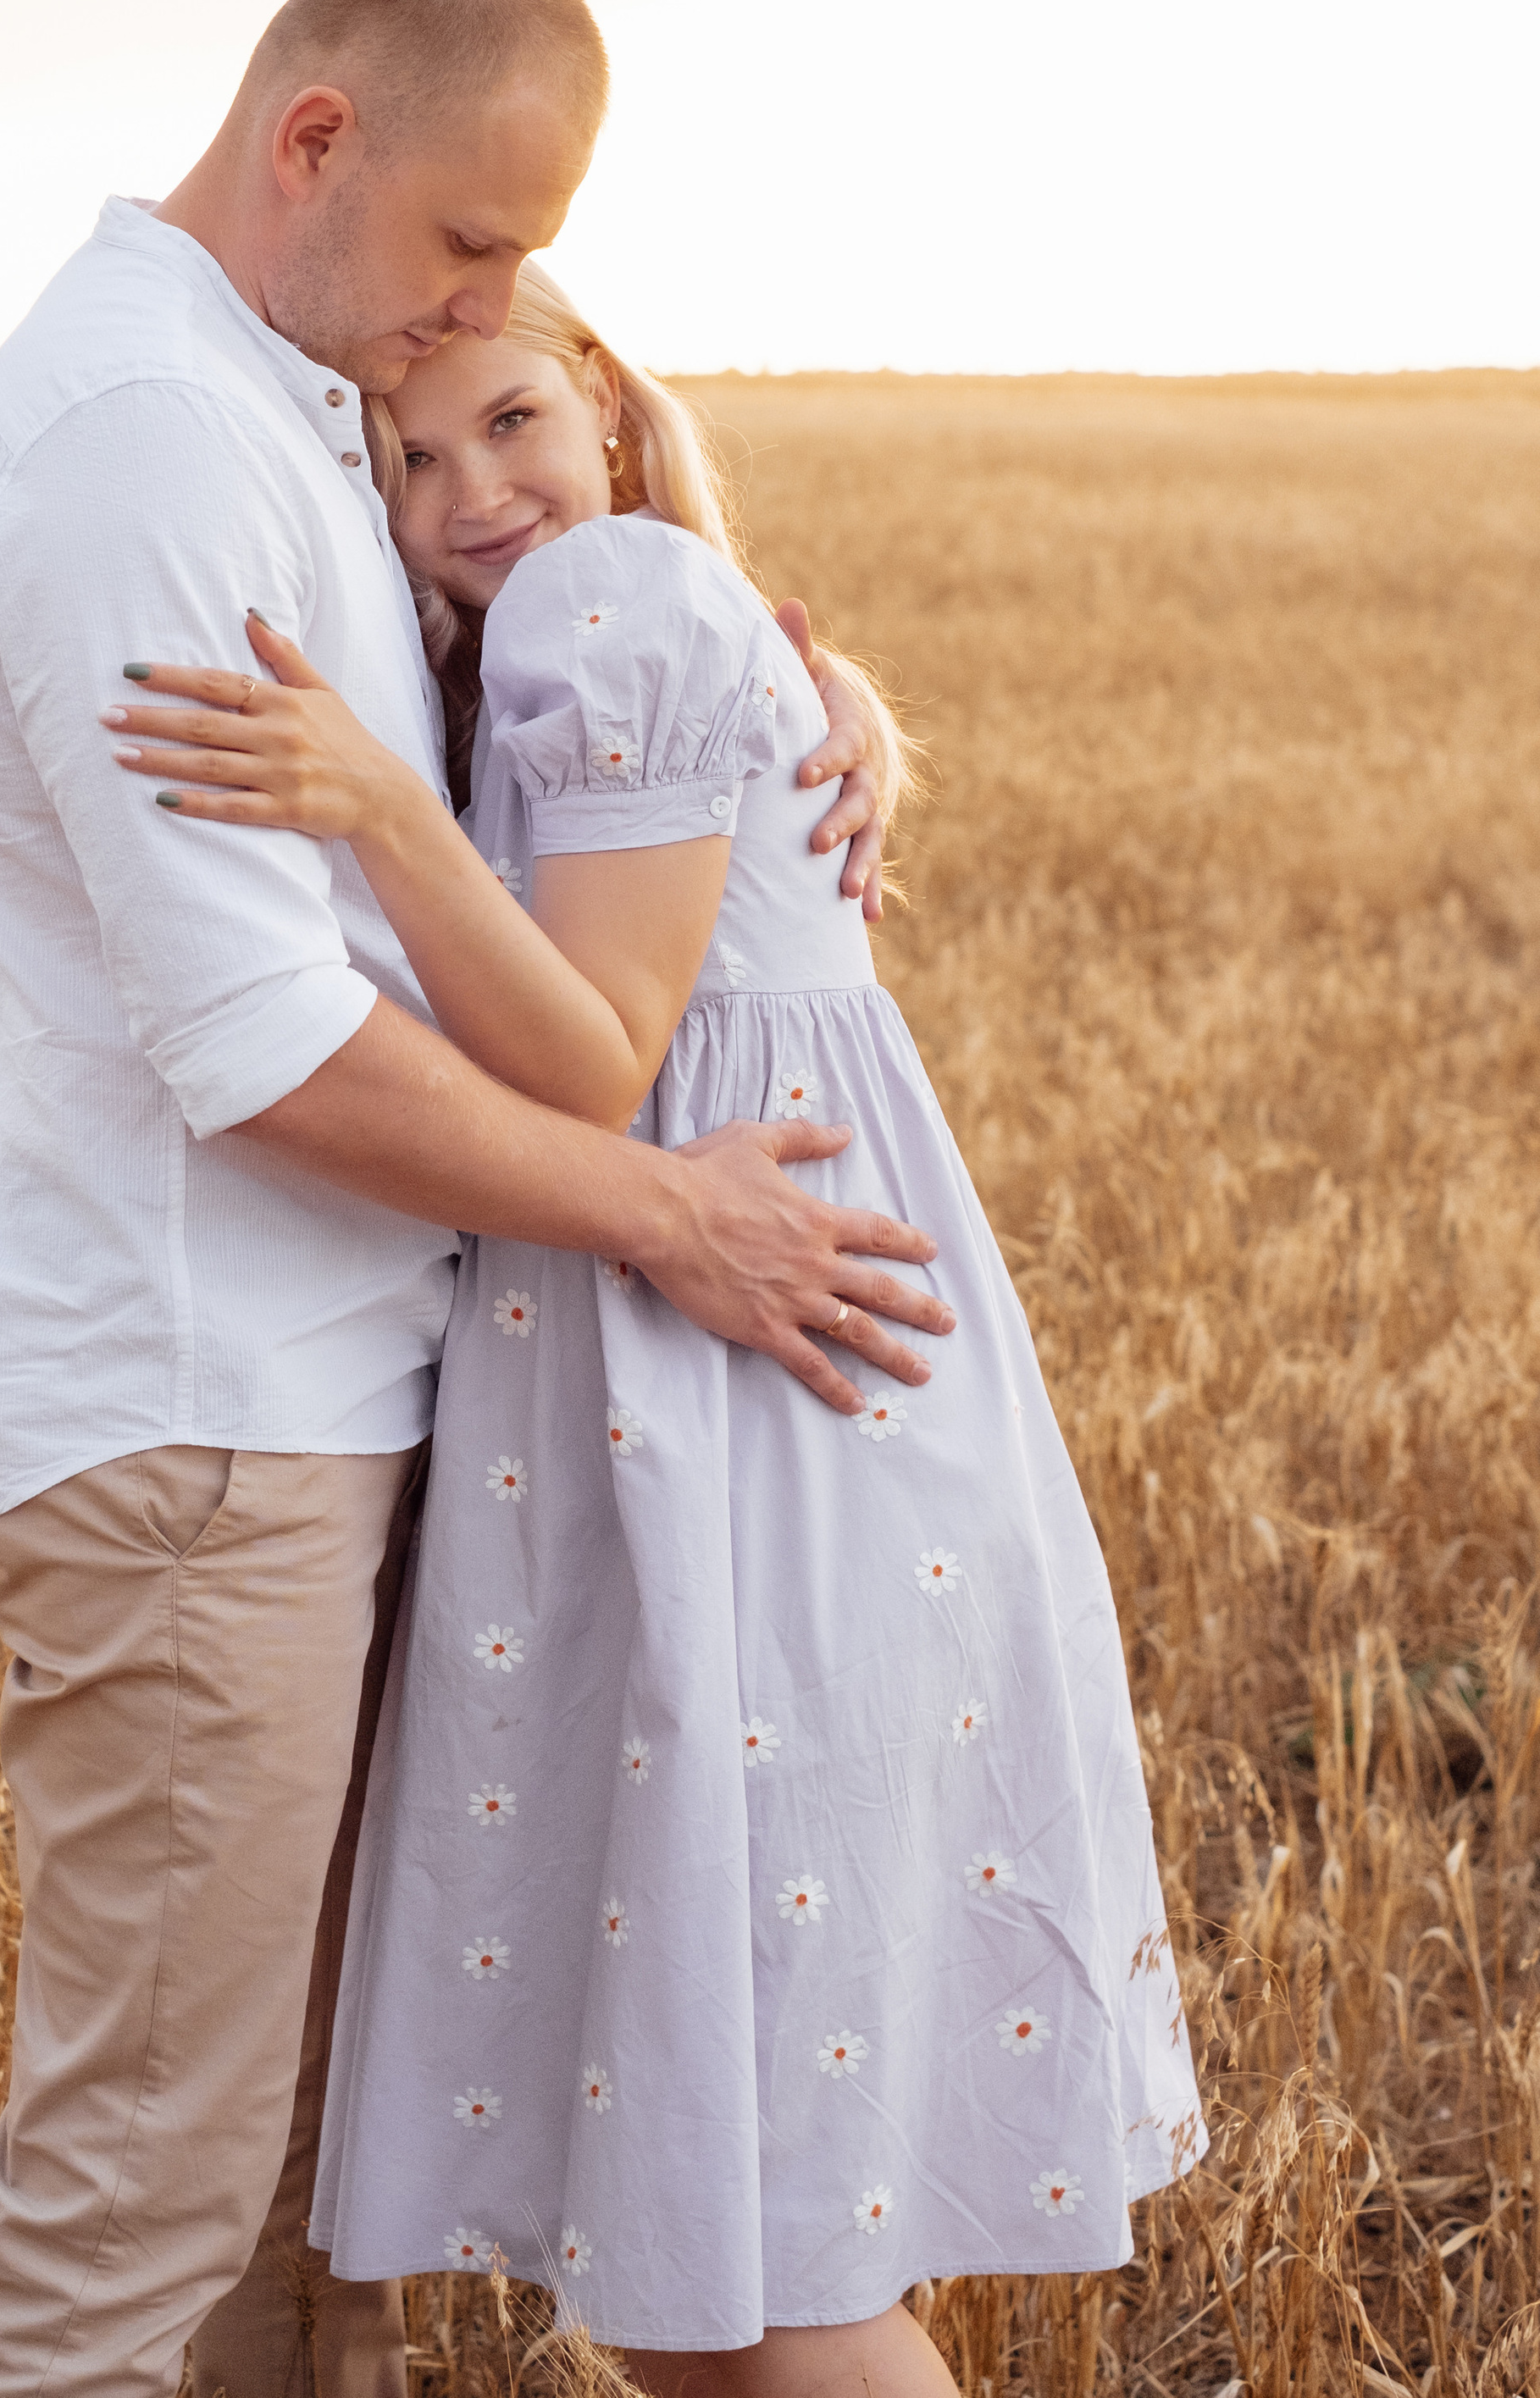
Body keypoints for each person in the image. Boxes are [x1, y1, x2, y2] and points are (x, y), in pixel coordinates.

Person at [0, 0, 949, 2398]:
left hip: (332, 1414)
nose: (480, 313)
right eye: (471, 241)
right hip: (198, 1440)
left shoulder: (281, 390)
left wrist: (817, 689)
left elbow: (555, 707)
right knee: (136, 2214)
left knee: (304, 2208)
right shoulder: (150, 439)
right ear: (315, 137)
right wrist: (671, 1211)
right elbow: (264, 1048)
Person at [107, 262, 1205, 2398]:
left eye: (510, 419)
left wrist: (372, 808)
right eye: (407, 462)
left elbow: (598, 1070)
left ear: (604, 405)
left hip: (746, 1412)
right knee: (712, 2243)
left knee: (767, 2259)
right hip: (732, 1399)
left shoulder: (602, 602)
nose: (467, 490)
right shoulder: (631, 618)